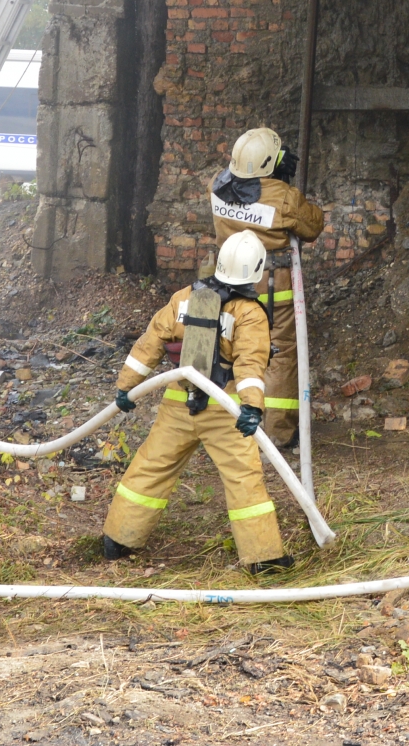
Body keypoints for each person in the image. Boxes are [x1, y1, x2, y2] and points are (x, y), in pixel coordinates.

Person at [100, 230, 293, 574]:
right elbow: (249, 363)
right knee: (242, 478)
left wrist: (125, 387)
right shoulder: (250, 313)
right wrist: (251, 406)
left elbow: (150, 343)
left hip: (178, 402)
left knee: (152, 466)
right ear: (257, 271)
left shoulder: (184, 297)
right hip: (226, 409)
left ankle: (119, 539)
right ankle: (262, 557)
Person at [210, 127, 326, 447]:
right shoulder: (282, 197)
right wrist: (281, 181)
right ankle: (277, 431)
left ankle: (233, 427)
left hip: (230, 284)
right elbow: (313, 224)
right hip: (273, 287)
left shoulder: (217, 186)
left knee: (237, 351)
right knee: (280, 354)